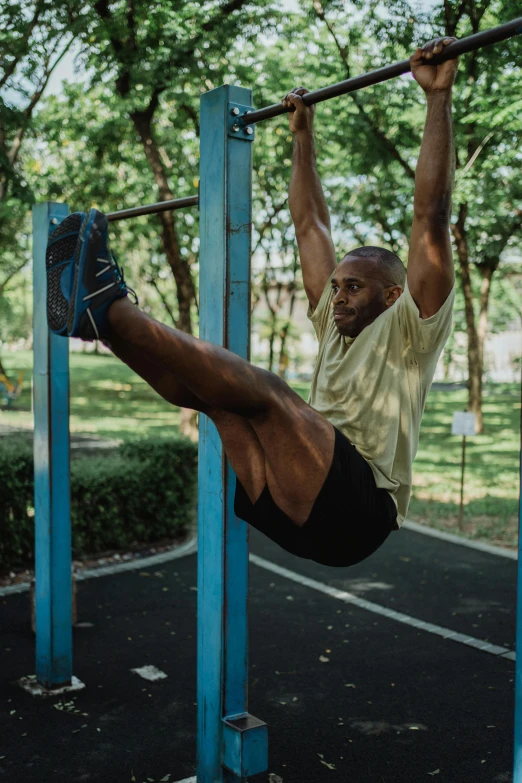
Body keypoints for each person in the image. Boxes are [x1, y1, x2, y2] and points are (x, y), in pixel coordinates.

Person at [45, 37, 458, 568]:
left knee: (266, 391)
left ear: (393, 295)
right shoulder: (334, 323)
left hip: (359, 508)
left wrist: (438, 97)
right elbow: (310, 226)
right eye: (336, 286)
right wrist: (301, 137)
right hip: (298, 504)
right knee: (217, 400)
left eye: (353, 287)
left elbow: (431, 218)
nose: (337, 296)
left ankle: (112, 306)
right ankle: (103, 326)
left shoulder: (412, 329)